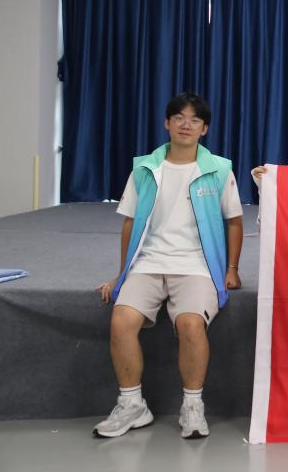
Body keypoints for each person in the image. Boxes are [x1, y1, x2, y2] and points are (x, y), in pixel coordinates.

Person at [94, 92, 243, 439]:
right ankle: (132, 405)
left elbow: (234, 221)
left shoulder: (219, 169)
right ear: (167, 123)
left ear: (204, 129)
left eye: (194, 119)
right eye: (179, 117)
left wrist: (232, 269)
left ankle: (192, 406)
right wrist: (122, 273)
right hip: (148, 263)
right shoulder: (145, 168)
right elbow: (130, 223)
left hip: (196, 267)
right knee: (121, 321)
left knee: (191, 324)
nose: (186, 124)